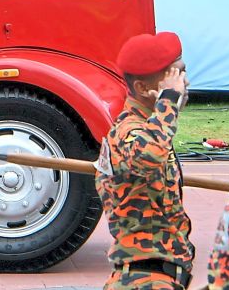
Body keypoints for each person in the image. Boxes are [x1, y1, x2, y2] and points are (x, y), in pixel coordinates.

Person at [94, 31, 194, 289]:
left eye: (182, 74)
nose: (183, 83)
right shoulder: (129, 131)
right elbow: (147, 158)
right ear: (141, 88)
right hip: (144, 279)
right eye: (174, 77)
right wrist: (169, 100)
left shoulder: (150, 130)